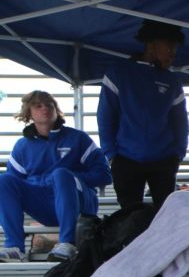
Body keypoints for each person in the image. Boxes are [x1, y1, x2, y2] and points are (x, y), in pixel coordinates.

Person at [0, 91, 111, 262]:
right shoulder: (22, 146)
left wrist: (69, 177)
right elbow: (13, 187)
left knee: (60, 175)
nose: (45, 108)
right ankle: (15, 247)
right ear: (29, 113)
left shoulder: (77, 139)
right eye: (38, 105)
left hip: (80, 205)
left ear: (56, 109)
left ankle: (67, 243)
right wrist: (44, 181)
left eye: (49, 104)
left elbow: (104, 175)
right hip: (45, 207)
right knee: (4, 180)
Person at [98, 19, 189, 209]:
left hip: (164, 160)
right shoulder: (118, 73)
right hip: (125, 158)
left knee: (167, 214)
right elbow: (106, 116)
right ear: (151, 46)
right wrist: (111, 154)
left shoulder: (172, 80)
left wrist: (178, 154)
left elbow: (180, 122)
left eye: (175, 50)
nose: (173, 55)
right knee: (130, 216)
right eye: (169, 48)